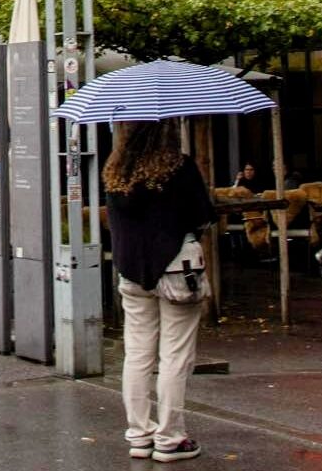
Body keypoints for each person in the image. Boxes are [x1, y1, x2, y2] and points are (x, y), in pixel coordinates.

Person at [104, 119, 216, 463]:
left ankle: (139, 434)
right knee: (175, 356)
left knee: (137, 355)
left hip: (132, 273)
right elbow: (203, 216)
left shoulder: (115, 169)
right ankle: (170, 436)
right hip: (176, 271)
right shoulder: (179, 167)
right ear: (165, 131)